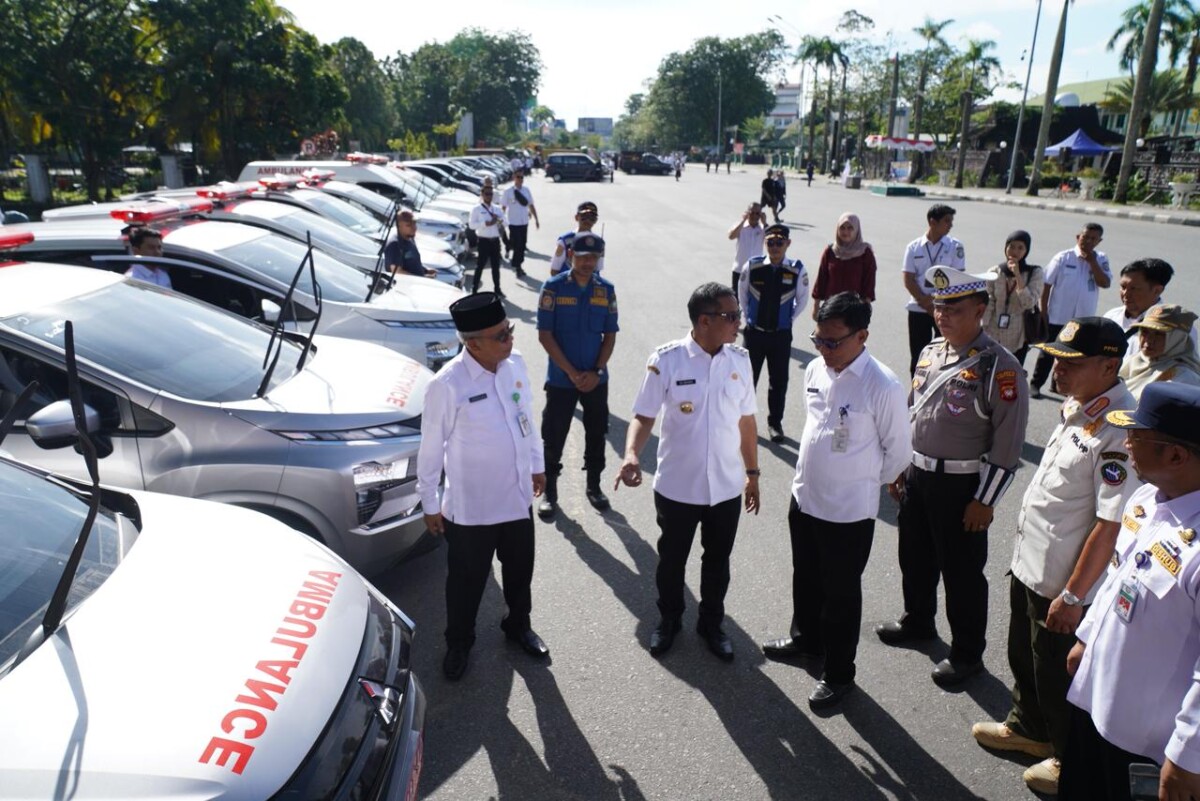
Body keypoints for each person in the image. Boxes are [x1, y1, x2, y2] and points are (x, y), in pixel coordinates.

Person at [972, 317, 1138, 795]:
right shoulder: (1078, 405)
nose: (1058, 371)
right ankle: (1029, 728)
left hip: (1065, 582)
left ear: (1110, 365)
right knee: (1024, 656)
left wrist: (1073, 594)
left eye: (1073, 363)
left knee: (1059, 675)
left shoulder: (1116, 431)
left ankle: (1068, 760)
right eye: (1057, 360)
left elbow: (1110, 526)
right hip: (1033, 564)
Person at [877, 266, 1029, 687]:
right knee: (915, 556)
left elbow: (1007, 444)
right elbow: (913, 413)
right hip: (920, 476)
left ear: (980, 310)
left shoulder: (1000, 368)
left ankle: (967, 654)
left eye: (954, 308)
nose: (942, 315)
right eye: (939, 306)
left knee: (961, 573)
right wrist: (901, 467)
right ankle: (918, 621)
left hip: (962, 487)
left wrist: (985, 501)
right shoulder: (931, 352)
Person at [761, 292, 911, 709]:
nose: (824, 350)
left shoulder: (882, 385)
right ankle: (805, 639)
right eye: (818, 339)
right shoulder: (815, 368)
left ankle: (840, 673)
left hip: (847, 510)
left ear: (861, 335)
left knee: (841, 594)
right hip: (805, 496)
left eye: (833, 342)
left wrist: (860, 481)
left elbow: (898, 453)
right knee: (805, 576)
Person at [1057, 383, 1200, 801]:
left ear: (1176, 455)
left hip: (1148, 740)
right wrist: (1086, 638)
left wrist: (1187, 756)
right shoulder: (1145, 498)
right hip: (1095, 699)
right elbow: (1120, 576)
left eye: (1136, 434)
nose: (1126, 441)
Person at [615, 282, 760, 661]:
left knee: (718, 562)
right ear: (704, 320)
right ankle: (669, 620)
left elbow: (746, 423)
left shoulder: (740, 361)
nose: (737, 324)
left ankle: (712, 624)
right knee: (671, 561)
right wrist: (631, 453)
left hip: (726, 487)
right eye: (730, 317)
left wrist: (753, 474)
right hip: (678, 486)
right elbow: (644, 415)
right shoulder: (667, 360)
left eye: (737, 315)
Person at [416, 292, 549, 681]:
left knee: (520, 571)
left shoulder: (516, 364)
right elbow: (431, 447)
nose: (510, 339)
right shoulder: (447, 384)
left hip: (517, 497)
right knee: (466, 582)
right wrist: (429, 502)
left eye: (509, 330)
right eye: (500, 335)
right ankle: (459, 642)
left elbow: (528, 419)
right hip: (471, 509)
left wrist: (537, 466)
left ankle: (517, 625)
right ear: (472, 343)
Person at [536, 233, 618, 520]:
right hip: (561, 379)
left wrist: (596, 372)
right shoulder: (554, 288)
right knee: (553, 436)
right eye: (582, 257)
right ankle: (550, 490)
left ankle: (594, 486)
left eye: (593, 258)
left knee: (596, 432)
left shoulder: (605, 290)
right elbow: (545, 336)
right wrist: (572, 373)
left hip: (596, 379)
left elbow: (609, 336)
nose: (587, 263)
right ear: (570, 255)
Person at [738, 223, 809, 443]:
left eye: (780, 242)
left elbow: (802, 299)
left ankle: (774, 423)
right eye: (771, 242)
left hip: (780, 335)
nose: (775, 247)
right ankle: (740, 421)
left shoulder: (796, 268)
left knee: (778, 382)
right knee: (747, 380)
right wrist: (749, 317)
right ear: (764, 243)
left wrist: (787, 320)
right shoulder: (753, 265)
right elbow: (742, 294)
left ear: (788, 243)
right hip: (755, 334)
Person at [1031, 223, 1112, 398]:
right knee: (1048, 353)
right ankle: (1036, 384)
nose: (1088, 241)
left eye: (1093, 239)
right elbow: (1045, 285)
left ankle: (1059, 385)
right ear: (1078, 237)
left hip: (1083, 319)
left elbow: (1105, 283)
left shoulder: (1101, 259)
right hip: (1058, 315)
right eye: (1085, 237)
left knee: (1074, 356)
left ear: (1099, 241)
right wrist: (1043, 311)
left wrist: (1092, 261)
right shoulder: (1063, 258)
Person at [901, 204, 966, 375]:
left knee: (946, 354)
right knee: (918, 354)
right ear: (932, 222)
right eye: (947, 221)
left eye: (951, 221)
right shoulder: (914, 247)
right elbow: (908, 279)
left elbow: (957, 278)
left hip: (946, 308)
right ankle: (916, 392)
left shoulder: (955, 246)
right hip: (919, 308)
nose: (950, 225)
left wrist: (936, 302)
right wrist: (926, 302)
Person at [1102, 259, 1197, 352]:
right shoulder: (1111, 317)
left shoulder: (1178, 328)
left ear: (1157, 290)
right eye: (1123, 287)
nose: (1126, 294)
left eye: (1134, 288)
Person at [981, 230, 1044, 366]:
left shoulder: (1035, 273)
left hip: (1018, 335)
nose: (1014, 251)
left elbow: (1029, 303)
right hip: (993, 331)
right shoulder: (995, 271)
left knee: (1011, 374)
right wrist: (982, 328)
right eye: (1012, 246)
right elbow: (989, 300)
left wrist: (1017, 275)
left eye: (1020, 248)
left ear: (1026, 251)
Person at [1119, 304, 1200, 398]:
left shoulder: (1184, 377)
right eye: (1144, 331)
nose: (1149, 339)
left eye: (1158, 334)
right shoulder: (1133, 361)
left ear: (1176, 338)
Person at [811, 213, 877, 320]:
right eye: (842, 228)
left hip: (854, 310)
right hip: (831, 308)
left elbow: (869, 283)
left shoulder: (865, 253)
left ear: (856, 229)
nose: (845, 232)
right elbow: (821, 279)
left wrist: (865, 310)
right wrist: (816, 306)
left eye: (850, 228)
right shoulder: (830, 251)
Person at [549, 202, 605, 276]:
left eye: (592, 218)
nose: (588, 220)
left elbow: (597, 269)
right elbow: (554, 270)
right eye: (584, 216)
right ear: (576, 217)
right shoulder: (566, 240)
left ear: (596, 220)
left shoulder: (599, 243)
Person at [501, 170, 539, 279]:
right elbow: (503, 207)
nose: (520, 179)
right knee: (518, 245)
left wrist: (536, 219)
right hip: (513, 223)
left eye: (522, 177)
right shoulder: (508, 191)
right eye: (518, 177)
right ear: (514, 177)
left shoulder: (526, 190)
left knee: (522, 245)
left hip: (524, 222)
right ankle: (517, 266)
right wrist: (501, 221)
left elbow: (531, 205)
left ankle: (517, 262)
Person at [469, 185, 506, 296]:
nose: (489, 196)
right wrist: (485, 224)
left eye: (491, 194)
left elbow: (506, 223)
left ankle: (497, 288)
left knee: (496, 266)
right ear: (482, 194)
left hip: (495, 241)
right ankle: (474, 288)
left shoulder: (497, 209)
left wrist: (498, 220)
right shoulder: (477, 209)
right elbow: (471, 225)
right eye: (487, 194)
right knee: (480, 265)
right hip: (483, 240)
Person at [383, 209, 437, 278]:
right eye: (408, 225)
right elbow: (397, 272)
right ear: (399, 226)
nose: (413, 228)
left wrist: (426, 270)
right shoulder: (395, 244)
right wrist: (422, 278)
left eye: (414, 224)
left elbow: (412, 263)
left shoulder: (410, 239)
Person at [727, 202, 766, 291]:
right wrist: (742, 221)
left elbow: (770, 239)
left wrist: (765, 223)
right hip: (739, 269)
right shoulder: (741, 226)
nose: (754, 216)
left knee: (753, 298)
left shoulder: (762, 228)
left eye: (757, 213)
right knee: (736, 297)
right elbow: (731, 236)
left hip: (756, 270)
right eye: (752, 212)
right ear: (747, 212)